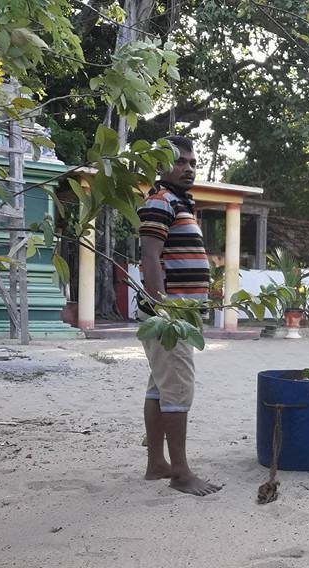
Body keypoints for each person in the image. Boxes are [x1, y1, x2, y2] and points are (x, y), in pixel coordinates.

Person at [137, 136, 222, 496]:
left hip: (181, 314)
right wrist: (165, 310)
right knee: (177, 389)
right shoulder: (160, 200)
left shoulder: (180, 202)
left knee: (160, 387)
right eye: (180, 161)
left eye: (192, 162)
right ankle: (181, 473)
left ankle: (157, 463)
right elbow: (150, 257)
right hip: (170, 316)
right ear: (160, 165)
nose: (188, 168)